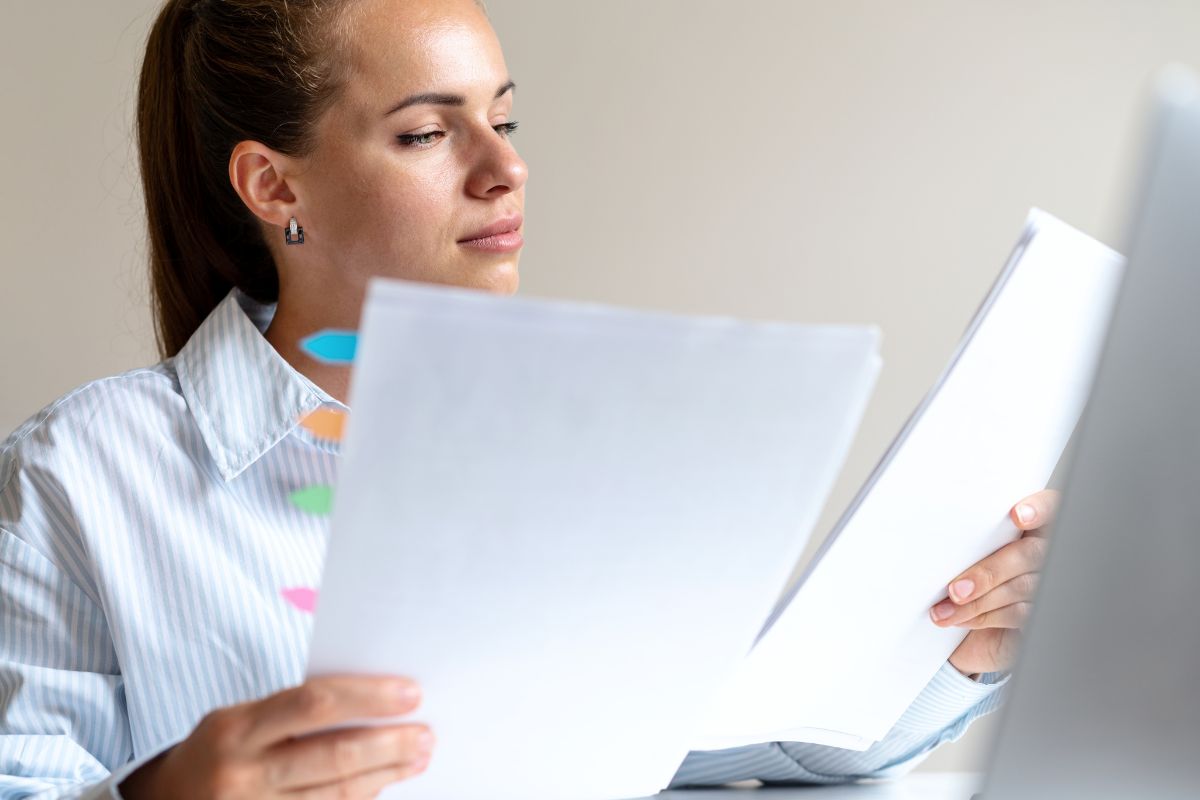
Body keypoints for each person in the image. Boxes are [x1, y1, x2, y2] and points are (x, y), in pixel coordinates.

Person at [0, 0, 1057, 797]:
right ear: (275, 187)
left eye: (505, 120)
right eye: (427, 132)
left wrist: (960, 643)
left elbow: (724, 755)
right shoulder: (80, 478)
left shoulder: (593, 450)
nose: (504, 168)